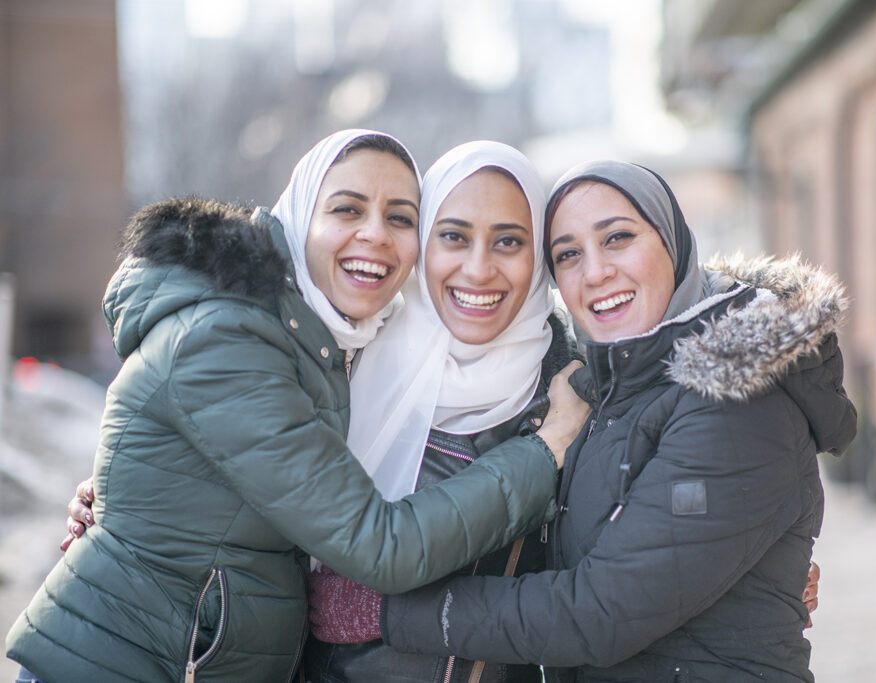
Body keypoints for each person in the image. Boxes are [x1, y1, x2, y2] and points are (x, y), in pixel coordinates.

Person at [5, 130, 588, 683]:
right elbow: (375, 543)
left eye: (400, 218)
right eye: (347, 209)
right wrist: (543, 452)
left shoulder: (339, 349)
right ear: (301, 213)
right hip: (134, 662)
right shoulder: (233, 340)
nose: (376, 235)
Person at [380, 160, 858, 682]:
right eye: (568, 254)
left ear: (672, 244)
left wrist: (387, 612)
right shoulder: (607, 392)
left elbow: (601, 613)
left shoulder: (736, 401)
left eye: (618, 238)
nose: (595, 272)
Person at [303, 140, 571, 682]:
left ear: (539, 255)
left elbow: (599, 593)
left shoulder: (571, 394)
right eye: (453, 236)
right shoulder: (344, 361)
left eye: (509, 241)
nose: (478, 269)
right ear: (423, 243)